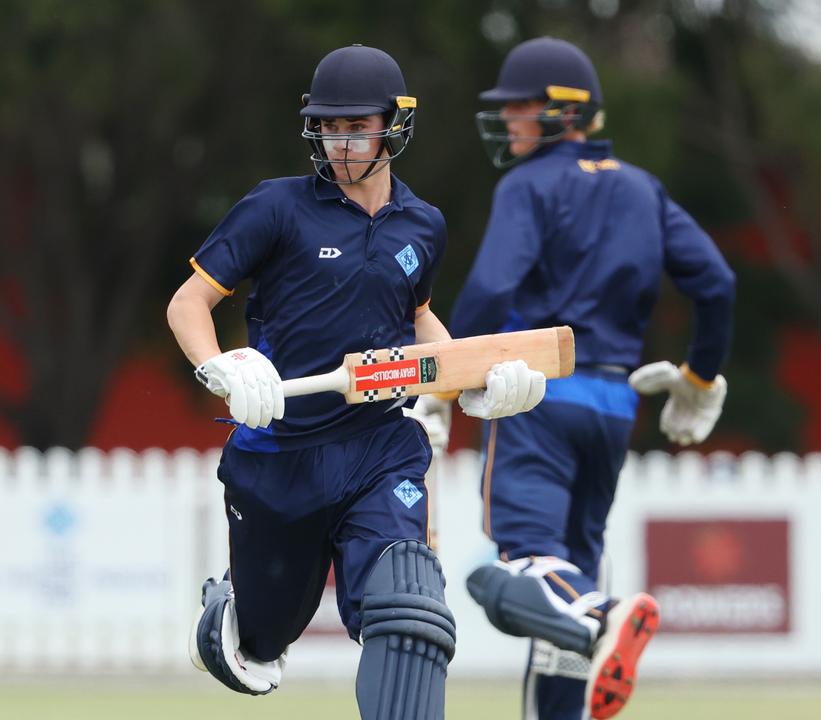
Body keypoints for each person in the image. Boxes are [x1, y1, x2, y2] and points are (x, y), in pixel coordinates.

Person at [165, 44, 547, 720]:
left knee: (408, 607)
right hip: (277, 456)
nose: (340, 143)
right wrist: (221, 367)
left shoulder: (422, 225)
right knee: (259, 644)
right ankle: (229, 614)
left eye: (355, 127)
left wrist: (475, 381)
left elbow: (420, 319)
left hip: (379, 445)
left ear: (394, 124)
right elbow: (188, 302)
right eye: (329, 128)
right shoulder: (275, 209)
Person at [410, 36, 736, 720]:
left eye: (521, 108)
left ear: (562, 112)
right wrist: (699, 377)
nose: (509, 122)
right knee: (562, 589)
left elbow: (491, 291)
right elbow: (716, 282)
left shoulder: (529, 184)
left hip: (538, 392)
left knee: (516, 574)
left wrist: (441, 381)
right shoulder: (642, 187)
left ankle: (610, 615)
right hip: (614, 407)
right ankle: (583, 645)